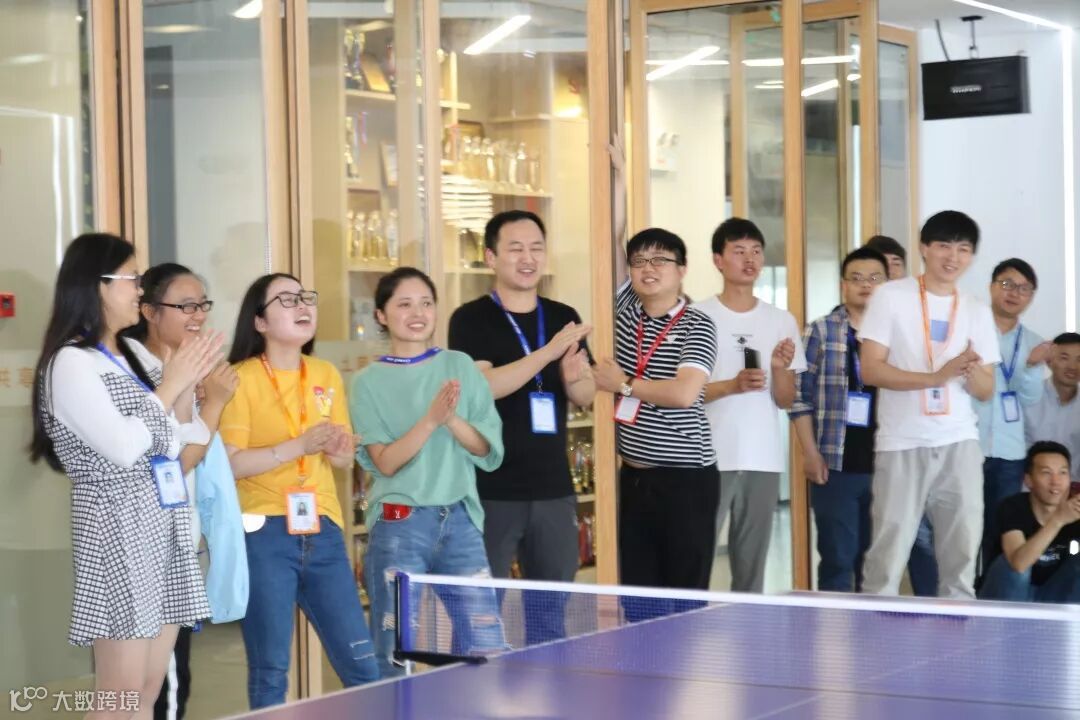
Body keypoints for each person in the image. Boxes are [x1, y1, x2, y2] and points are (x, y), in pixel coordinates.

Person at [30, 233, 220, 718]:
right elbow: (121, 447)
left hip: (163, 524)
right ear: (96, 285)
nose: (139, 288)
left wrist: (185, 384)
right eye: (131, 278)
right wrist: (172, 385)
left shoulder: (128, 356)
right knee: (120, 690)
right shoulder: (71, 362)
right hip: (116, 527)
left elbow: (173, 442)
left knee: (149, 686)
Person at [219, 273, 378, 708]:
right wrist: (297, 446)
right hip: (264, 532)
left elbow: (340, 460)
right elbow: (230, 464)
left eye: (306, 297)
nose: (302, 305)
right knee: (271, 669)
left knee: (363, 664)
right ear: (260, 322)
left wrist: (341, 450)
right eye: (287, 300)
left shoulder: (325, 373)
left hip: (323, 528)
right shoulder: (240, 378)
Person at [351, 267, 506, 677]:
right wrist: (431, 420)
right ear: (381, 315)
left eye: (426, 303)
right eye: (404, 304)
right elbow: (386, 462)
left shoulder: (460, 365)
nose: (417, 313)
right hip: (399, 523)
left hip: (460, 520)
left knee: (486, 642)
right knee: (395, 649)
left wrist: (451, 419)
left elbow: (486, 448)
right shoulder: (366, 382)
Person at [447, 210, 593, 645]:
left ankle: (545, 687)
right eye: (515, 249)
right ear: (491, 257)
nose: (528, 258)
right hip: (491, 489)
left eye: (536, 248)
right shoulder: (470, 319)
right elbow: (483, 388)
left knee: (550, 618)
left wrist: (574, 375)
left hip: (553, 489)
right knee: (479, 617)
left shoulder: (563, 316)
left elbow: (584, 395)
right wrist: (547, 354)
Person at [859, 210, 1000, 599]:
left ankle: (960, 627)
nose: (952, 257)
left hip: (959, 443)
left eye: (963, 249)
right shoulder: (891, 296)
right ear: (924, 248)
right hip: (902, 442)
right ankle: (875, 626)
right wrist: (936, 377)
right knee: (888, 553)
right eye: (943, 246)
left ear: (971, 256)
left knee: (962, 552)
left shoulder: (976, 309)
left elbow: (986, 389)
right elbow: (871, 369)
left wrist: (968, 371)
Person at [127, 262, 242, 720]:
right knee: (156, 687)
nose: (198, 315)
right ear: (149, 311)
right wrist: (214, 405)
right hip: (148, 542)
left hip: (176, 538)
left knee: (153, 684)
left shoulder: (189, 368)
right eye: (185, 305)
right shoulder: (138, 370)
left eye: (202, 305)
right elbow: (172, 466)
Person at [593, 228, 719, 613]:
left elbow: (684, 394)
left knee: (684, 598)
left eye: (661, 260)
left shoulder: (698, 324)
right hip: (632, 477)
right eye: (639, 261)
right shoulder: (624, 312)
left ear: (682, 270)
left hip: (686, 480)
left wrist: (624, 384)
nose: (649, 268)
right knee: (638, 596)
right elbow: (612, 232)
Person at [694, 218, 806, 593]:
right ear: (718, 260)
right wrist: (732, 386)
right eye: (739, 251)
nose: (750, 259)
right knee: (696, 556)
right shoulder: (697, 317)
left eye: (756, 251)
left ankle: (747, 624)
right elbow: (684, 393)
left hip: (762, 457)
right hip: (707, 456)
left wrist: (778, 368)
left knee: (751, 567)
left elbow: (786, 400)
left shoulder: (781, 320)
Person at [790, 247, 888, 592]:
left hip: (888, 465)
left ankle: (871, 625)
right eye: (856, 278)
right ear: (843, 285)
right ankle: (833, 625)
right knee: (837, 559)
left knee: (877, 563)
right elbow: (798, 396)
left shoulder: (898, 333)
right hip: (835, 465)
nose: (866, 285)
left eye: (875, 278)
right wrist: (810, 453)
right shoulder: (820, 331)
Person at [866, 233, 937, 596]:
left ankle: (932, 607)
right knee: (873, 540)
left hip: (907, 442)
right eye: (880, 266)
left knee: (920, 537)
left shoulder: (921, 319)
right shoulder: (835, 324)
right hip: (856, 451)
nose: (889, 272)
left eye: (895, 264)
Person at [972, 259, 1050, 574]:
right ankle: (960, 594)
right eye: (1006, 284)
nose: (1014, 293)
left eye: (1023, 288)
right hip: (970, 446)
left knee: (999, 529)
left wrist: (1030, 366)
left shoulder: (1033, 342)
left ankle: (991, 593)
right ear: (991, 286)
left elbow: (1030, 397)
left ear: (1031, 296)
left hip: (1009, 453)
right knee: (963, 527)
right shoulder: (970, 331)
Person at [978, 441, 1080, 603]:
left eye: (1062, 473)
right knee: (1015, 567)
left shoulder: (1075, 510)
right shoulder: (1013, 506)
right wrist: (1058, 520)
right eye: (1046, 473)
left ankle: (1069, 618)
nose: (1056, 481)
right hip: (1004, 594)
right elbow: (1019, 565)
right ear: (1028, 480)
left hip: (1051, 595)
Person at [1024, 333, 1080, 477]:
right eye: (1064, 358)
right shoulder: (1029, 397)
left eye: (1079, 360)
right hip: (1029, 485)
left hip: (1073, 485)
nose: (1072, 366)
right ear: (1049, 361)